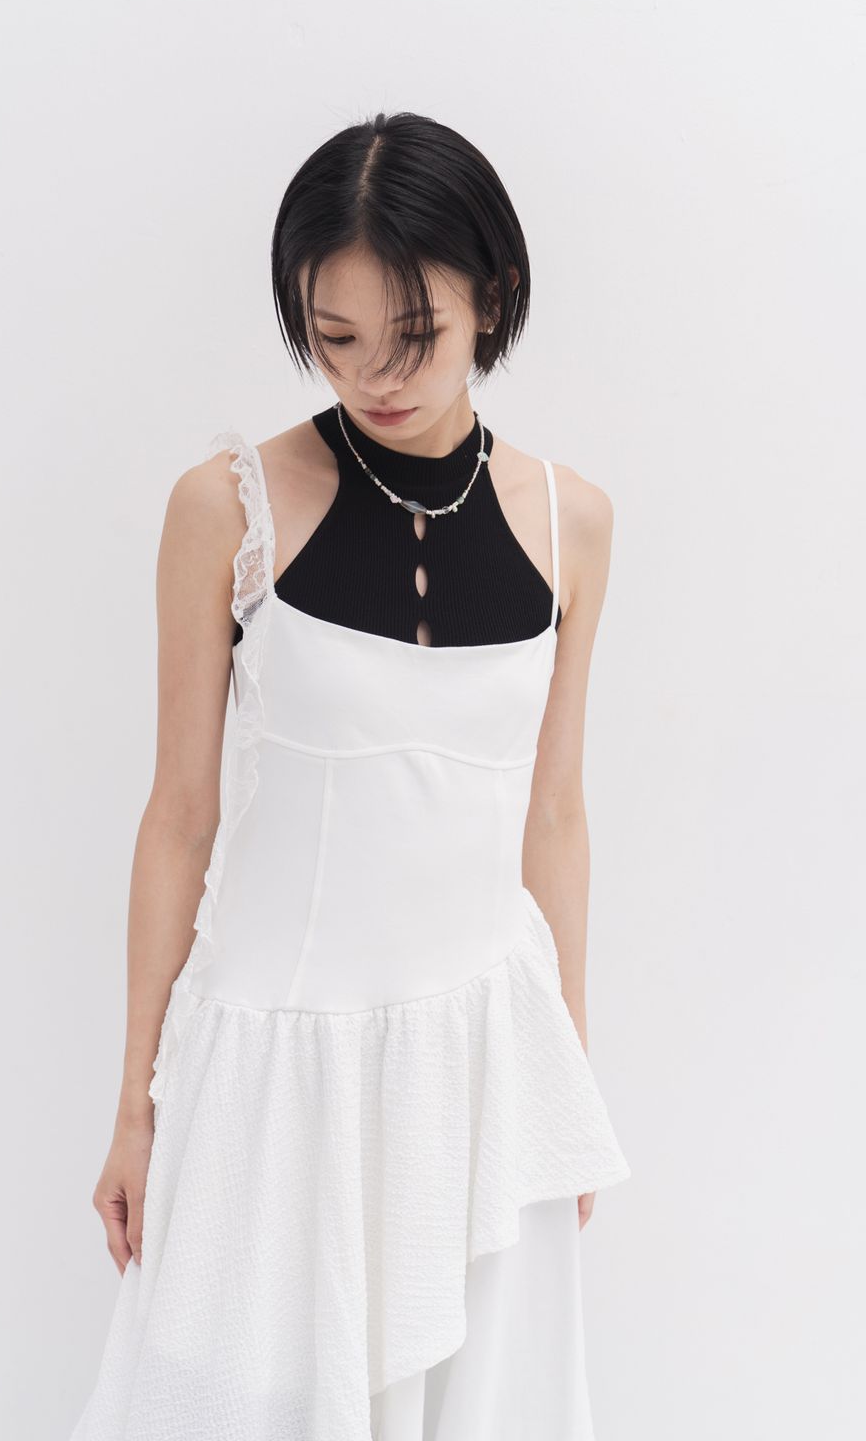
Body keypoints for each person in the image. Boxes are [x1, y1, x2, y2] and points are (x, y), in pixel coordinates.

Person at [69, 110, 631, 1441]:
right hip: (276, 1073)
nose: (375, 374)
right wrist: (136, 1103)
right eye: (334, 337)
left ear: (493, 295)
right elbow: (179, 817)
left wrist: (567, 1076)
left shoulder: (573, 523)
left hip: (483, 1071)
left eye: (414, 335)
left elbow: (554, 814)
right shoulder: (230, 506)